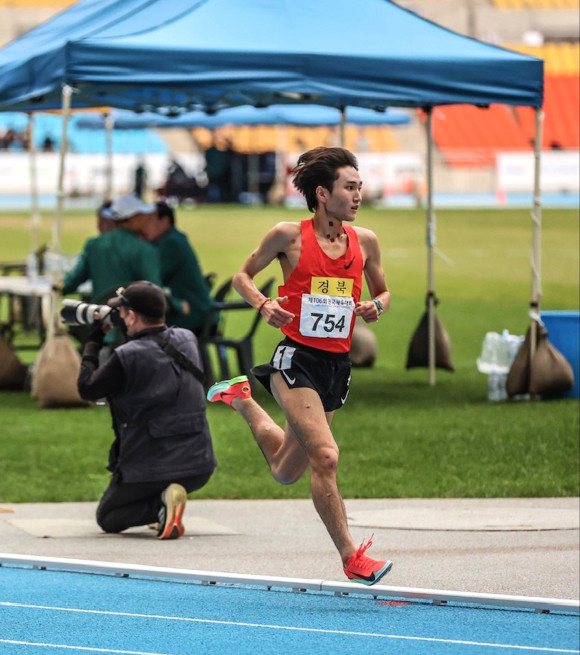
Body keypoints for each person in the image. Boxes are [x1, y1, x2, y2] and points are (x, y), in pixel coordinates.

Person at [206, 146, 392, 585]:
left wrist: (376, 306)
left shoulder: (365, 242)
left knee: (286, 470)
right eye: (350, 187)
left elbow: (383, 292)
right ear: (323, 194)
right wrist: (264, 304)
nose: (358, 195)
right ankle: (351, 556)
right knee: (325, 456)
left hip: (336, 367)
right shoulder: (288, 236)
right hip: (296, 359)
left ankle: (242, 399)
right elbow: (242, 276)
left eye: (360, 186)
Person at [77, 281, 217, 539]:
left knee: (109, 516)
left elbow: (87, 388)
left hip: (151, 466)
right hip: (198, 465)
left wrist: (92, 342)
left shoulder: (127, 356)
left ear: (131, 316)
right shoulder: (187, 339)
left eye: (122, 313)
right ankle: (168, 504)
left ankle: (162, 504)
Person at [146, 202, 214, 336]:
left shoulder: (171, 243)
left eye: (149, 220)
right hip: (198, 313)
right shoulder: (174, 238)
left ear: (164, 221)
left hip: (191, 316)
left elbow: (152, 276)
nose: (145, 225)